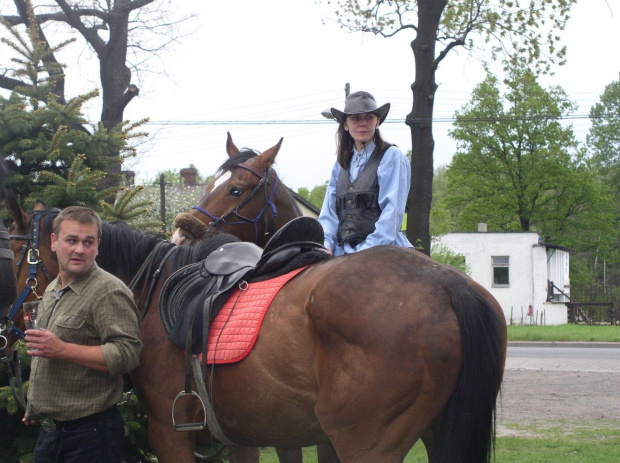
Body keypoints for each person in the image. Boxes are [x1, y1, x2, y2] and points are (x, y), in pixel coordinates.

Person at [22, 206, 142, 463]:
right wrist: (37, 405)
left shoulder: (108, 291)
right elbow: (46, 354)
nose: (80, 249)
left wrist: (62, 350)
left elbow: (127, 353)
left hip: (90, 436)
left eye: (88, 242)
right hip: (50, 433)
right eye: (72, 240)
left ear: (98, 245)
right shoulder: (54, 288)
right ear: (54, 242)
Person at [319, 90, 414, 256]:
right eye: (356, 118)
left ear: (377, 122)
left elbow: (391, 216)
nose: (363, 123)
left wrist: (362, 255)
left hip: (384, 251)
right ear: (345, 124)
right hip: (343, 253)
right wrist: (326, 245)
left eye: (369, 117)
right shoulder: (339, 165)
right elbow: (329, 215)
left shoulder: (391, 157)